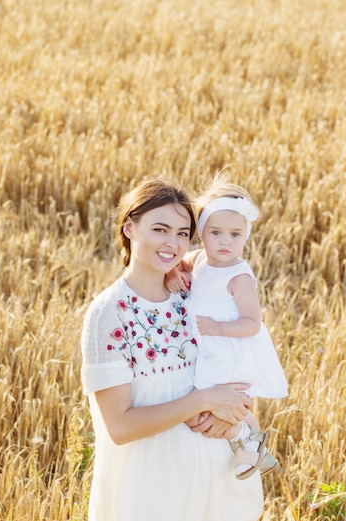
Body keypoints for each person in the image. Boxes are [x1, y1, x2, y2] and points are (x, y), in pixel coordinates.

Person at [80, 179, 264, 521]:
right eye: (160, 229)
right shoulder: (109, 314)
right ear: (129, 227)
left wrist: (235, 417)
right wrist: (203, 401)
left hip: (216, 486)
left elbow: (235, 373)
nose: (173, 243)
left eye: (183, 233)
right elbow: (119, 428)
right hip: (149, 494)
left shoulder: (193, 296)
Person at [166, 176, 288, 480]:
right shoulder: (200, 259)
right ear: (202, 234)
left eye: (235, 234)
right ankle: (248, 438)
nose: (225, 241)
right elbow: (178, 264)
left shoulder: (239, 277)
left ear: (245, 236)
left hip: (226, 350)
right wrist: (171, 275)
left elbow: (252, 323)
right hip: (206, 348)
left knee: (205, 410)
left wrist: (218, 328)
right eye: (216, 232)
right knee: (199, 411)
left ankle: (247, 437)